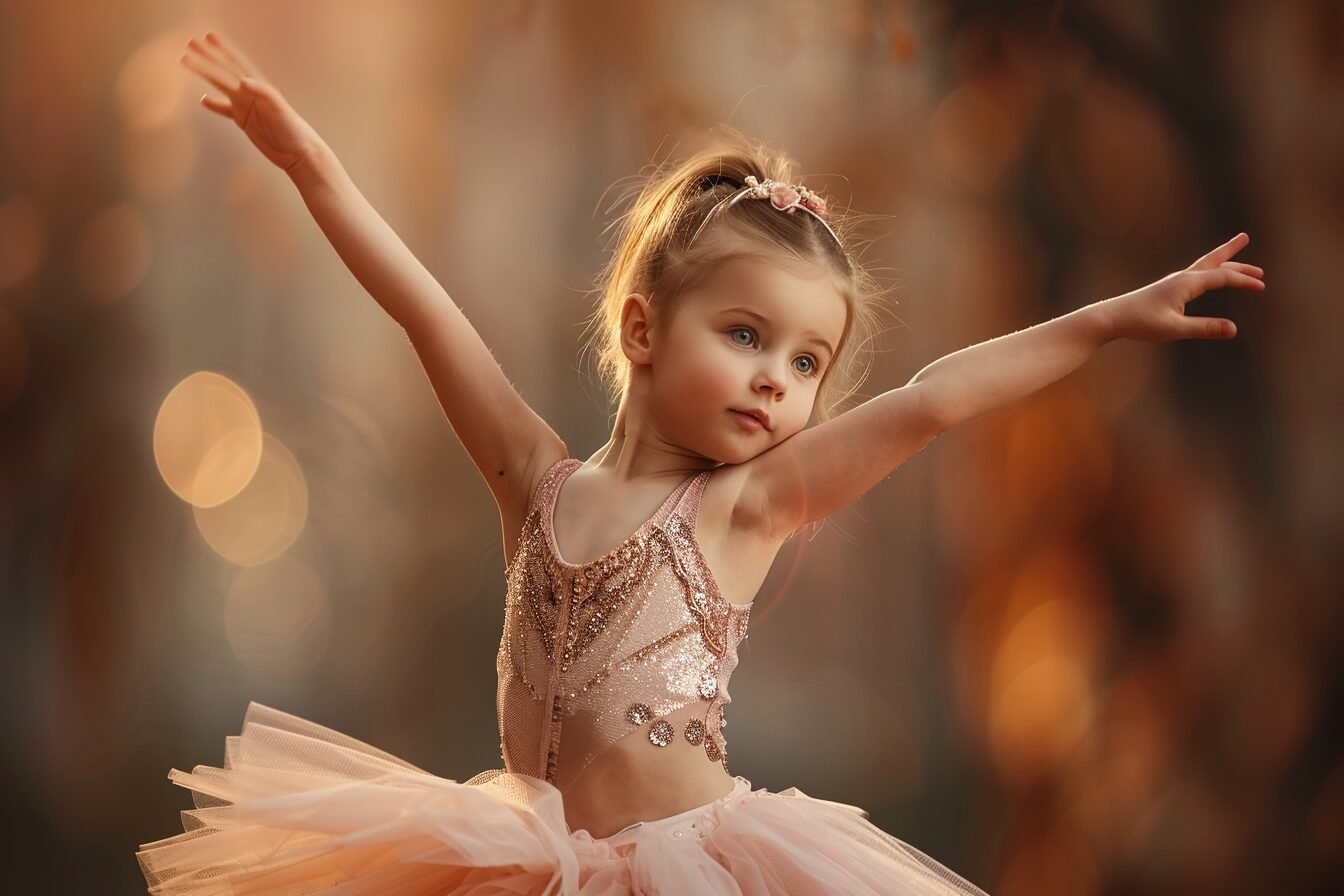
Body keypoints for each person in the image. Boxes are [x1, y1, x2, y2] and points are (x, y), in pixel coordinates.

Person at [139, 30, 1266, 896]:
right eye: (745, 335)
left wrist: (1110, 319)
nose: (779, 377)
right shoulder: (532, 477)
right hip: (522, 859)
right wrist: (313, 161)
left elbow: (933, 399)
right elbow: (425, 313)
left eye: (807, 358)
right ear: (641, 330)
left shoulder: (745, 507)